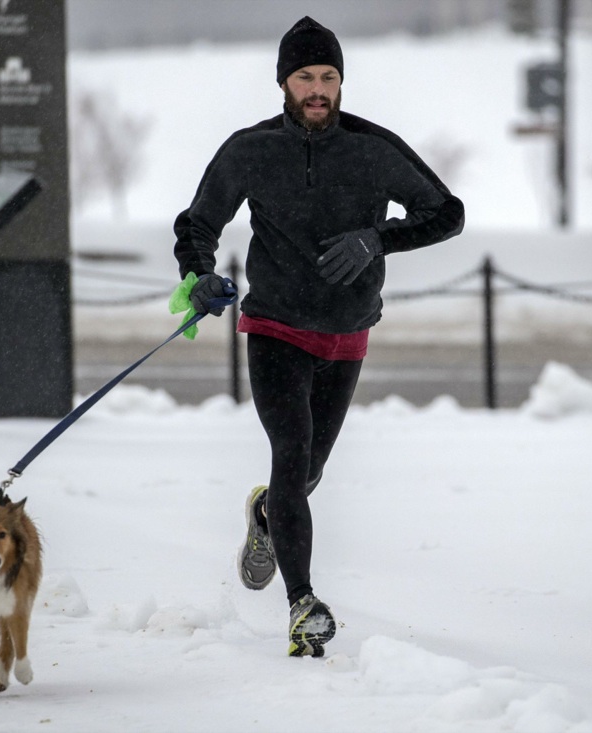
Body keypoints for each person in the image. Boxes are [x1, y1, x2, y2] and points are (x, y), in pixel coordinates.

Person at [172, 16, 465, 657]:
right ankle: (303, 605)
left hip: (346, 333)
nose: (318, 89)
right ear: (283, 82)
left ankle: (267, 517)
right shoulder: (250, 150)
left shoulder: (372, 149)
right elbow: (197, 223)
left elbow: (448, 213)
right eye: (305, 76)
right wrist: (199, 276)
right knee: (290, 451)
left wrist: (377, 237)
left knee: (306, 473)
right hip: (274, 324)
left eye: (328, 77)